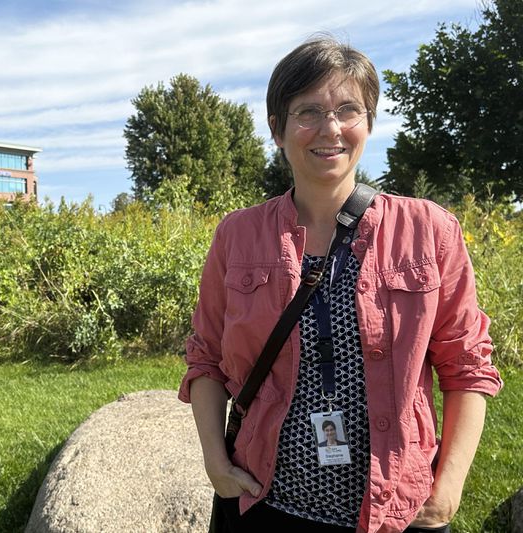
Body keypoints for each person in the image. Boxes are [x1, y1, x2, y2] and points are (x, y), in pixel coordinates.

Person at [178, 36, 503, 533]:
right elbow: (206, 357)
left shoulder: (430, 230)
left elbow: (468, 365)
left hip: (394, 511)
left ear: (369, 123)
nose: (331, 129)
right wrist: (216, 465)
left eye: (348, 109)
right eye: (308, 112)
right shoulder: (238, 235)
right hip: (263, 501)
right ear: (277, 129)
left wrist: (448, 489)